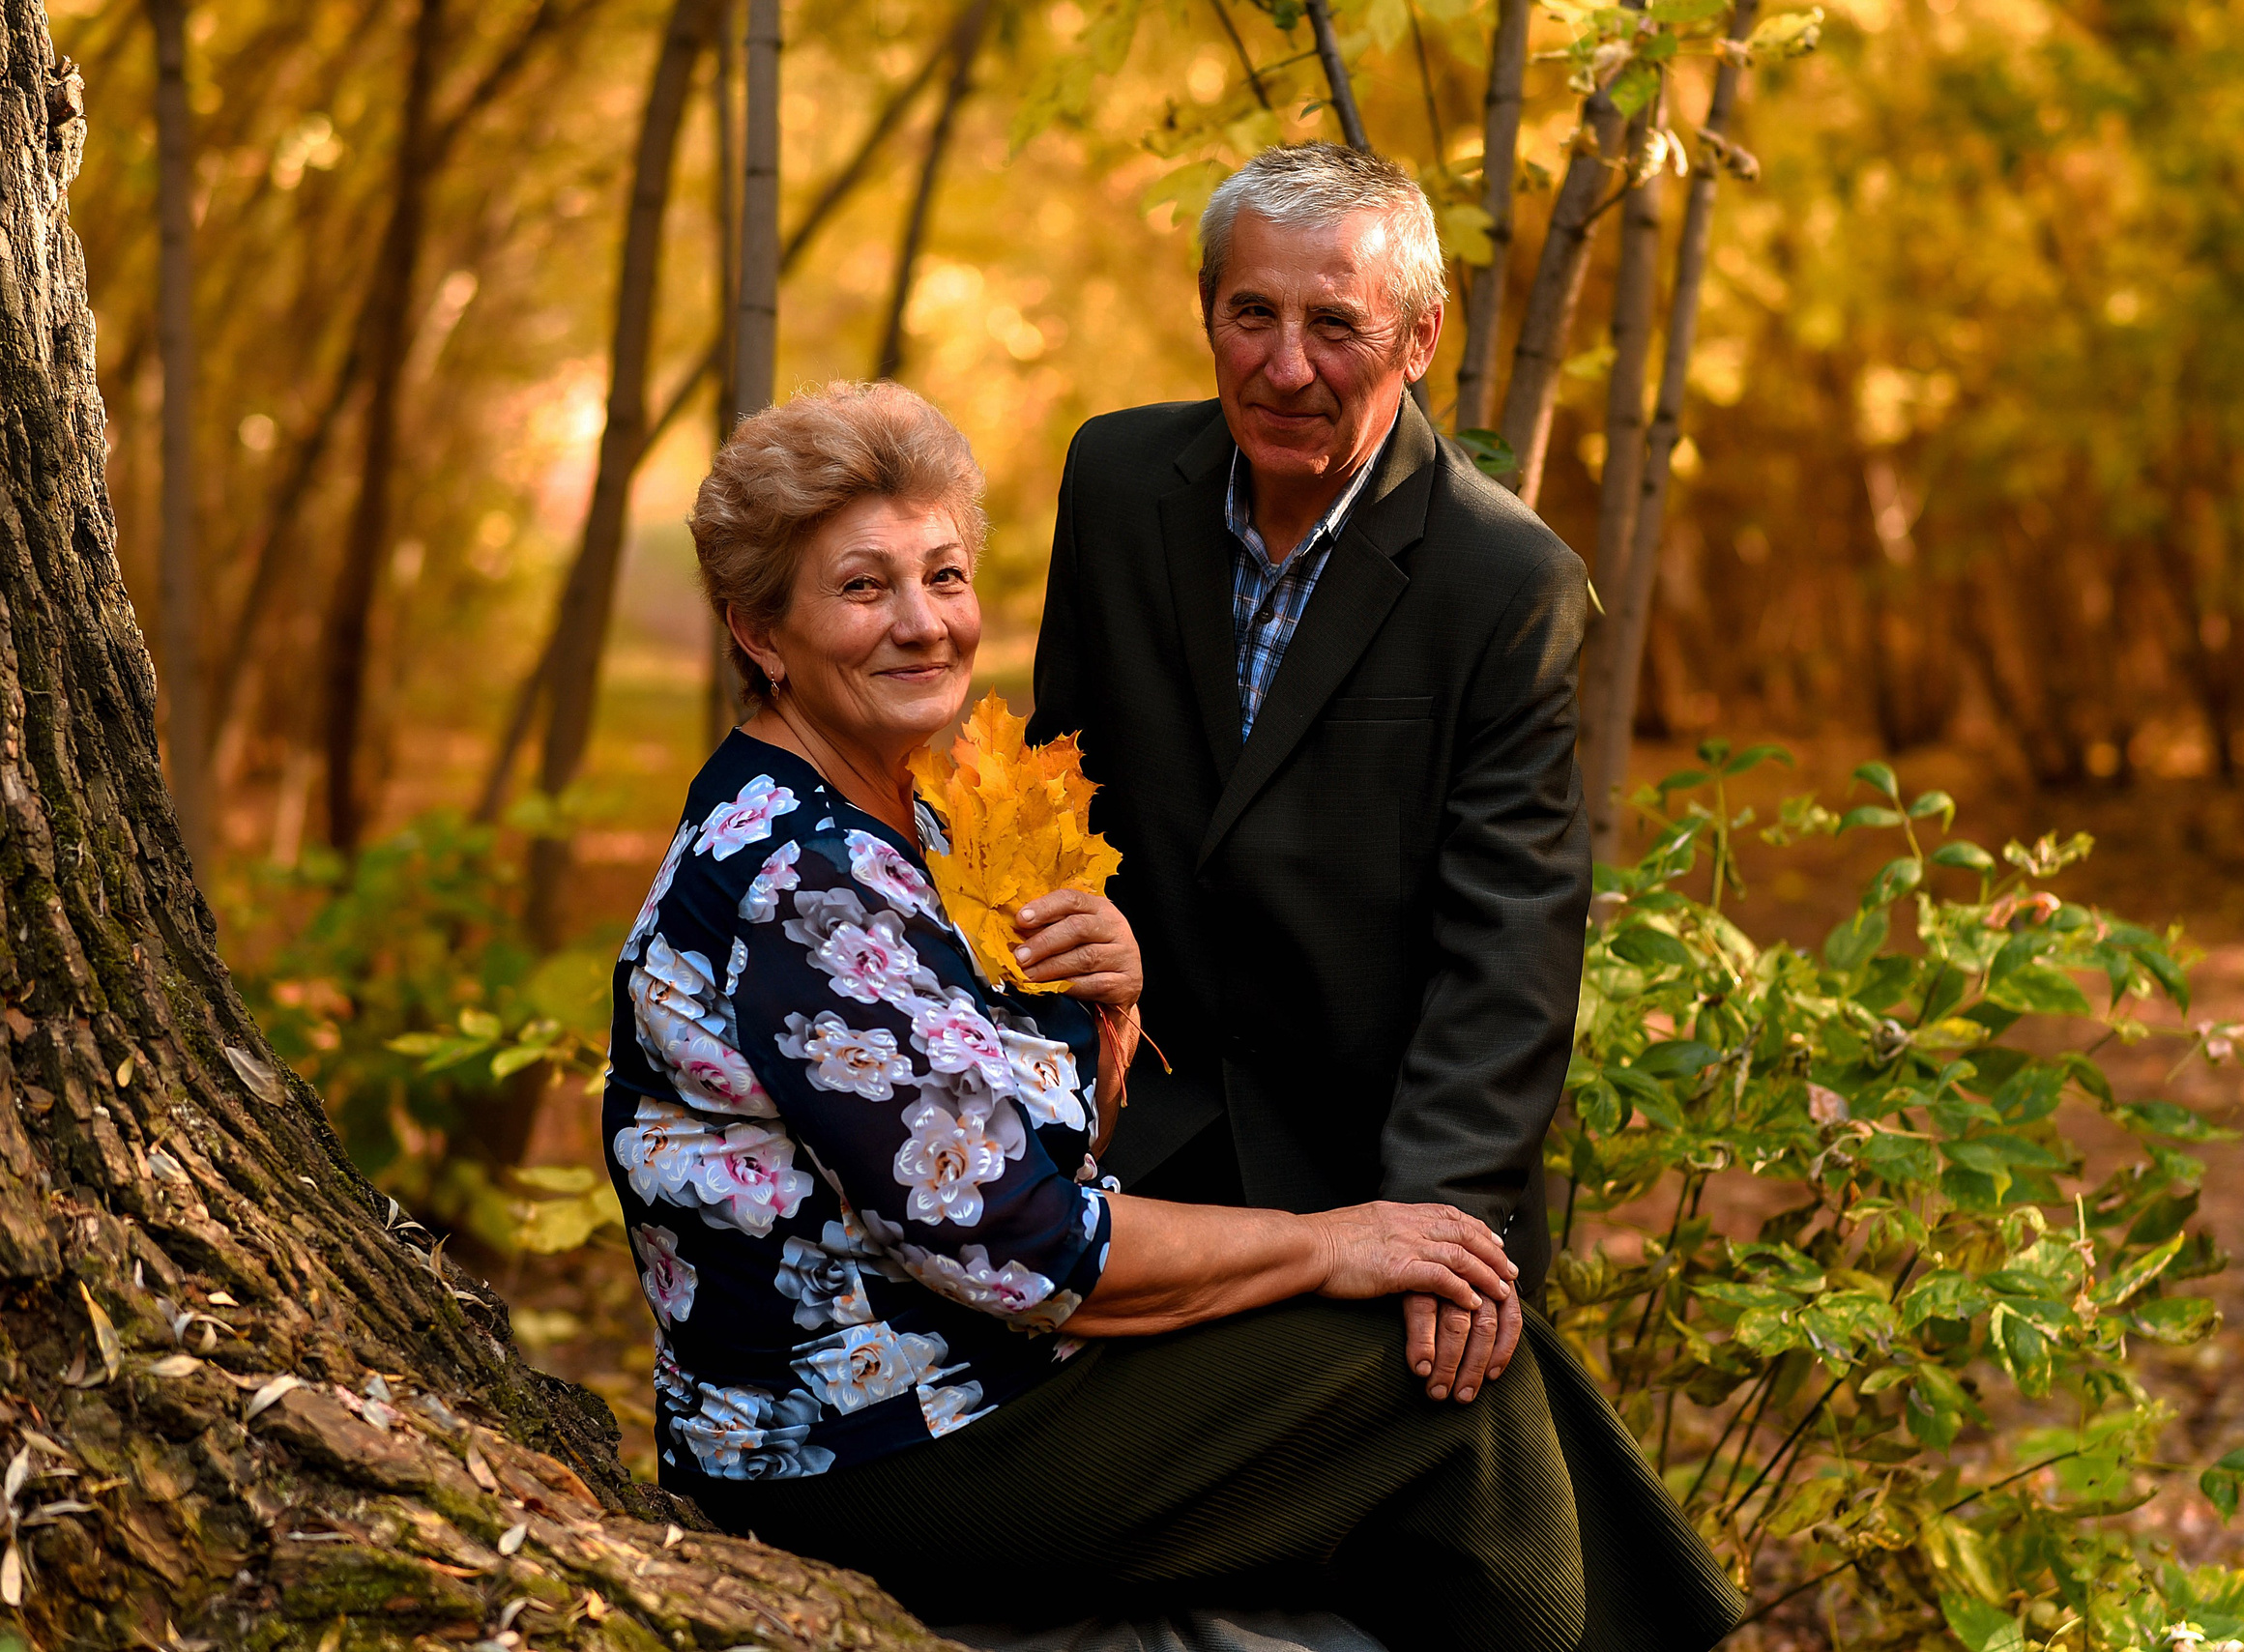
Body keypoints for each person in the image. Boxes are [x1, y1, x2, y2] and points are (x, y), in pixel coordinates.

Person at [605, 380, 1739, 1650]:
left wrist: (1111, 998)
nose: (924, 625)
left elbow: (997, 1139)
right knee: (1443, 1391)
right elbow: (1022, 1243)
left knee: (1464, 1334)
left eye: (944, 574)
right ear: (761, 629)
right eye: (865, 588)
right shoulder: (804, 879)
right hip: (857, 1446)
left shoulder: (909, 810)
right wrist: (1332, 1241)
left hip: (959, 1374)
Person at [1027, 142, 1595, 1414]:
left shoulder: (1507, 584)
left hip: (1378, 1167)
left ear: (1421, 335)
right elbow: (1058, 797)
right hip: (1138, 1150)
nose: (1286, 366)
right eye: (1253, 315)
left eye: (1335, 323)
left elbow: (1511, 947)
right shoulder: (1114, 486)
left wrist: (1432, 1227)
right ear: (1206, 312)